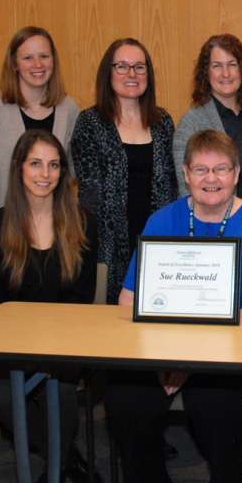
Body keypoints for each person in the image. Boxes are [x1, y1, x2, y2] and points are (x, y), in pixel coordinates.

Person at [106, 130, 242, 483]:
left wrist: (190, 363)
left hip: (231, 353)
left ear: (236, 174)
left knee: (215, 407)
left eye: (221, 169)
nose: (211, 179)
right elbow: (128, 300)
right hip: (161, 350)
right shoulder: (161, 220)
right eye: (201, 169)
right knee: (126, 400)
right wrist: (165, 359)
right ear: (185, 174)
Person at [0, 129, 97, 483]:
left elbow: (81, 300)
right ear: (18, 169)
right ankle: (64, 457)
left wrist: (52, 339)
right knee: (1, 395)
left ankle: (56, 468)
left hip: (65, 340)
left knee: (59, 391)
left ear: (63, 172)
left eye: (53, 165)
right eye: (35, 164)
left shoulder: (81, 222)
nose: (44, 173)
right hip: (11, 341)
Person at [70, 38, 177, 303]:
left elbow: (172, 187)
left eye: (139, 67)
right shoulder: (90, 123)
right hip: (106, 248)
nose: (132, 74)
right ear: (108, 73)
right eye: (122, 66)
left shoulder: (163, 122)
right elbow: (89, 195)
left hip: (156, 243)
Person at [0, 26, 80, 226]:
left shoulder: (68, 108)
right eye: (28, 58)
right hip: (8, 228)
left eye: (44, 56)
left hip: (56, 227)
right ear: (14, 63)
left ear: (53, 60)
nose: (37, 64)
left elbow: (71, 171)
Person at [173, 33, 242, 209]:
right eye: (217, 66)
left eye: (232, 65)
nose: (225, 73)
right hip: (214, 230)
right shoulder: (191, 124)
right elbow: (186, 190)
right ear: (206, 72)